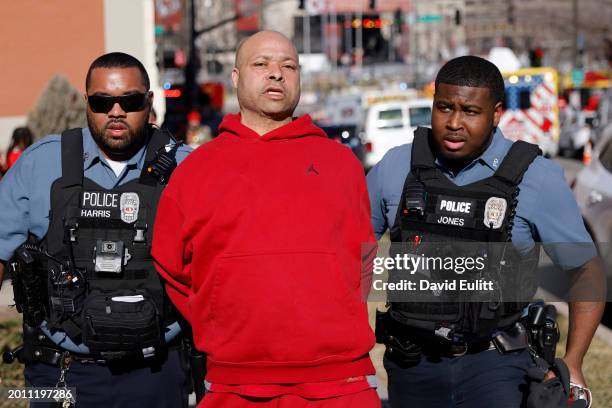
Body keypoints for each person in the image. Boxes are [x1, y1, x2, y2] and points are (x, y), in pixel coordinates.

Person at [152, 30, 380, 408]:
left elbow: (365, 259)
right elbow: (170, 264)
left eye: (288, 66)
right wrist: (220, 317)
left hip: (341, 381)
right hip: (234, 384)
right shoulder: (197, 170)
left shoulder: (340, 164)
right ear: (237, 78)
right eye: (261, 64)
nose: (276, 73)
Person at [367, 56, 605, 407]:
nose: (453, 123)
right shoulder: (396, 167)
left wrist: (574, 360)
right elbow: (349, 254)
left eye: (470, 111)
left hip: (498, 365)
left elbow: (587, 269)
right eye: (444, 107)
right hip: (412, 363)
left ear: (495, 114)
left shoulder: (535, 177)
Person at [0, 52, 192, 407]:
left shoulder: (188, 169)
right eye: (103, 102)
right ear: (87, 101)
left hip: (156, 373)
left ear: (149, 102)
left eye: (130, 101)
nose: (116, 111)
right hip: (60, 374)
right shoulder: (40, 163)